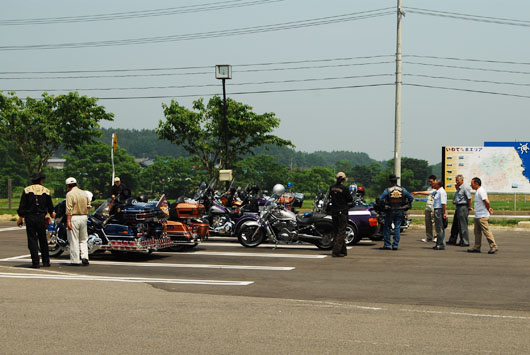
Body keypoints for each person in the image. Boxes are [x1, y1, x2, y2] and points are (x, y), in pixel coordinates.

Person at [17, 172, 56, 268]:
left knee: (32, 239)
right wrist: (51, 213)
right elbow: (50, 206)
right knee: (43, 239)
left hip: (30, 217)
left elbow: (22, 205)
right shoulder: (46, 191)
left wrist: (21, 217)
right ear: (41, 180)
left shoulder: (26, 190)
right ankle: (46, 261)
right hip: (41, 217)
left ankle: (35, 262)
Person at [378, 174, 414, 250]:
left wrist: (384, 205)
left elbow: (380, 199)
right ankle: (395, 245)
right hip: (400, 210)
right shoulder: (402, 189)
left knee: (387, 227)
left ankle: (387, 244)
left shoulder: (387, 190)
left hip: (390, 210)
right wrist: (406, 205)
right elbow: (411, 197)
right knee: (397, 227)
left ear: (390, 181)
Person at [468, 177, 499, 254]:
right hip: (478, 215)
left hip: (482, 216)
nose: (471, 186)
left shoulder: (481, 191)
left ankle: (493, 246)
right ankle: (477, 247)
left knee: (486, 232)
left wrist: (489, 209)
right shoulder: (478, 191)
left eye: (472, 184)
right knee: (477, 232)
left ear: (476, 184)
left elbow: (486, 201)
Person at [65, 177, 91, 266]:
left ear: (68, 185)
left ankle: (75, 260)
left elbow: (69, 209)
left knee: (74, 239)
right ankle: (85, 257)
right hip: (84, 217)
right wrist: (86, 215)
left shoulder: (70, 194)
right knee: (83, 239)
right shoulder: (84, 193)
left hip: (74, 217)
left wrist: (68, 221)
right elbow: (89, 206)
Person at [328, 172, 353, 257]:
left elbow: (329, 197)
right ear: (344, 179)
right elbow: (350, 199)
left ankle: (343, 250)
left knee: (336, 231)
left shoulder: (332, 188)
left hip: (334, 212)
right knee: (341, 231)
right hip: (342, 212)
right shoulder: (345, 188)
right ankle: (336, 251)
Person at [447, 175, 472, 246]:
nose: (456, 182)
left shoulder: (465, 188)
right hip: (458, 206)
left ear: (462, 180)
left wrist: (469, 207)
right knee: (455, 224)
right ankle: (452, 240)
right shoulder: (459, 188)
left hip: (463, 207)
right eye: (456, 180)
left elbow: (469, 198)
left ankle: (465, 241)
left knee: (462, 225)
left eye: (458, 180)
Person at [412, 175, 437, 243]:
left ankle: (435, 237)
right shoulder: (429, 188)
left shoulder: (436, 188)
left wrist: (418, 192)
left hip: (434, 207)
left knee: (434, 223)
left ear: (435, 181)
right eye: (429, 181)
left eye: (431, 181)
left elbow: (428, 193)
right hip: (428, 207)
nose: (430, 183)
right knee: (428, 223)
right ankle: (429, 237)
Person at [430, 179, 448, 250]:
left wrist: (444, 212)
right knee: (438, 228)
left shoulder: (441, 192)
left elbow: (443, 204)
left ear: (438, 185)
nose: (433, 185)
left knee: (439, 228)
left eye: (435, 183)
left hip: (439, 210)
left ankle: (440, 243)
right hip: (437, 210)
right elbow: (429, 192)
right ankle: (439, 242)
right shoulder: (437, 191)